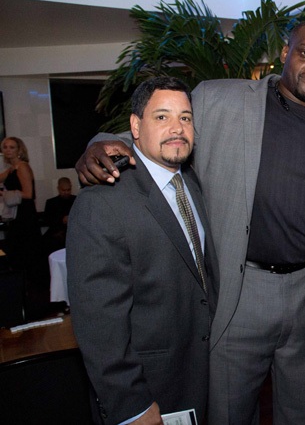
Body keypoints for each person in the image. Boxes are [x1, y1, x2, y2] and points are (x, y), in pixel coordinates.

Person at [75, 20, 305, 425]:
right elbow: (166, 131)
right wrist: (99, 145)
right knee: (229, 413)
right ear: (285, 54)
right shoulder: (220, 99)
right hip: (238, 294)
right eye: (304, 53)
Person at [67, 77, 218, 425]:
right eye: (162, 117)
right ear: (135, 127)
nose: (177, 128)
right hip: (148, 389)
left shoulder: (190, 183)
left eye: (185, 117)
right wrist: (131, 406)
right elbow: (99, 324)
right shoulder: (102, 202)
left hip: (196, 375)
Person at [0, 136, 43, 272]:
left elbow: (28, 194)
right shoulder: (12, 168)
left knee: (24, 250)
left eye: (12, 147)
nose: (7, 150)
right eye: (5, 147)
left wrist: (5, 194)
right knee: (17, 250)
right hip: (17, 213)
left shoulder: (22, 167)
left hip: (25, 214)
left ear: (19, 150)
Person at [42, 176, 76, 254]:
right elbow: (47, 220)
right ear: (58, 189)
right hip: (56, 232)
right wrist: (62, 220)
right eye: (63, 190)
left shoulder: (76, 200)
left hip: (73, 232)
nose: (66, 192)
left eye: (68, 190)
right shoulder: (51, 203)